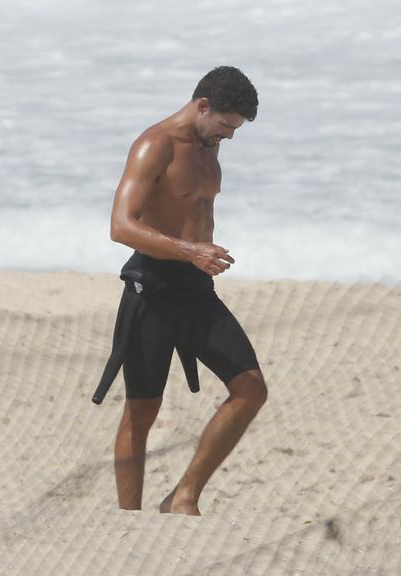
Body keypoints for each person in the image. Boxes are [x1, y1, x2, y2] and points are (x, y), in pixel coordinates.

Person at [98, 66, 267, 516]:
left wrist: (197, 257)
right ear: (203, 106)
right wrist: (189, 248)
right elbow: (121, 225)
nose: (231, 135)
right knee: (142, 410)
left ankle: (183, 495)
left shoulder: (209, 146)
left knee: (251, 389)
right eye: (227, 124)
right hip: (150, 290)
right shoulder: (156, 144)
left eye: (237, 129)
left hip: (195, 288)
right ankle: (129, 518)